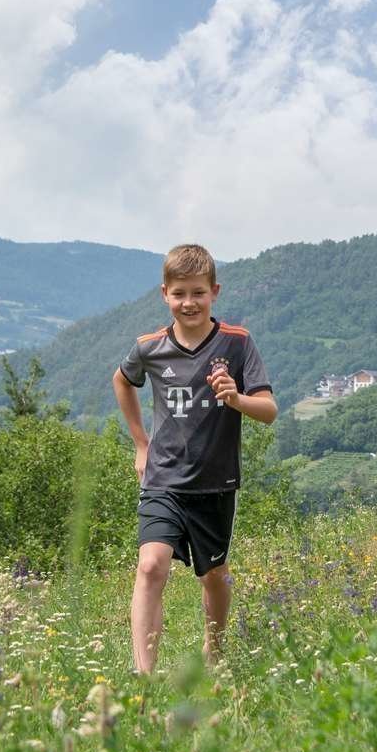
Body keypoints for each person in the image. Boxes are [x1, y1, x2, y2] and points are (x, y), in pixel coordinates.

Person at [112, 244, 276, 674]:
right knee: (150, 567)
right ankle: (144, 675)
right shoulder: (149, 347)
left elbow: (269, 411)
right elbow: (122, 381)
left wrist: (236, 397)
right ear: (164, 294)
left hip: (215, 483)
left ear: (214, 292)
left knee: (215, 577)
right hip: (163, 479)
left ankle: (215, 654)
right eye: (180, 293)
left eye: (198, 293)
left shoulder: (237, 344)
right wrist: (140, 444)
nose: (189, 303)